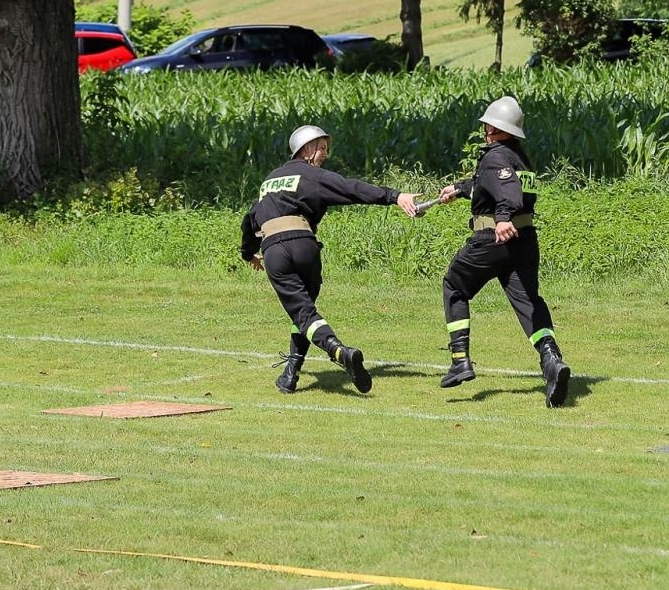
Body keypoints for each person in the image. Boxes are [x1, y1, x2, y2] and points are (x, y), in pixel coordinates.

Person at [241, 125, 420, 394]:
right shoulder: (311, 176)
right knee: (305, 311)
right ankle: (291, 373)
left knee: (303, 312)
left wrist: (248, 253)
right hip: (305, 247)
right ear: (306, 149)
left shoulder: (270, 180)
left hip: (275, 250)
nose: (325, 154)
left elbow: (250, 220)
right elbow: (352, 188)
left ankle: (338, 352)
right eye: (322, 148)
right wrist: (395, 196)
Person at [431, 96, 570, 408]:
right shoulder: (519, 158)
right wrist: (460, 188)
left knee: (454, 286)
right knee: (529, 302)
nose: (486, 130)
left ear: (493, 128)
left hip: (493, 239)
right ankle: (551, 359)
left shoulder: (494, 157)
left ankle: (459, 360)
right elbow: (491, 183)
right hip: (525, 241)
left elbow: (509, 193)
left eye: (488, 125)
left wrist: (503, 218)